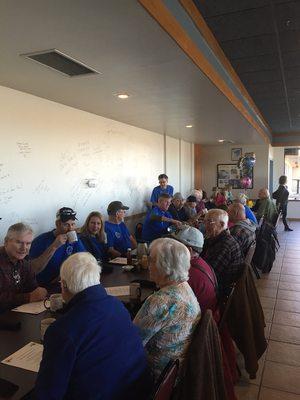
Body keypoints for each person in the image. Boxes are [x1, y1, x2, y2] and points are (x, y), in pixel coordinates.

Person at [35, 253, 151, 400]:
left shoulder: (61, 330)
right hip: (136, 391)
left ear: (63, 285)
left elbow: (47, 394)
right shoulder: (118, 305)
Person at [134, 238, 200, 381]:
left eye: (151, 260)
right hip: (177, 369)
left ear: (165, 266)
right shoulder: (185, 287)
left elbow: (132, 343)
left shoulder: (160, 301)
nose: (148, 264)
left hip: (156, 374)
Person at [29, 207, 85, 288]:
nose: (70, 229)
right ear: (57, 224)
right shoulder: (41, 240)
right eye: (66, 224)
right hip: (42, 286)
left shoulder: (74, 238)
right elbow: (33, 270)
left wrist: (64, 275)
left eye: (72, 224)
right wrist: (54, 246)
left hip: (64, 284)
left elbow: (84, 259)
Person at [171, 226, 218, 319]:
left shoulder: (187, 274)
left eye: (175, 246)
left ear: (188, 250)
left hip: (198, 325)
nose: (171, 248)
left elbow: (172, 305)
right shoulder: (199, 261)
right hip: (207, 315)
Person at [0, 223, 47, 312]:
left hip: (18, 314)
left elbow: (33, 288)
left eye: (28, 243)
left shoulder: (25, 263)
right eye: (19, 242)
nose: (24, 248)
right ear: (6, 241)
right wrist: (28, 297)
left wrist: (39, 292)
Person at [202, 209, 244, 295]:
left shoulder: (224, 245)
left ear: (222, 224)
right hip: (217, 281)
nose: (205, 226)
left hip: (220, 288)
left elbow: (209, 275)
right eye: (204, 221)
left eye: (209, 222)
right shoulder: (215, 238)